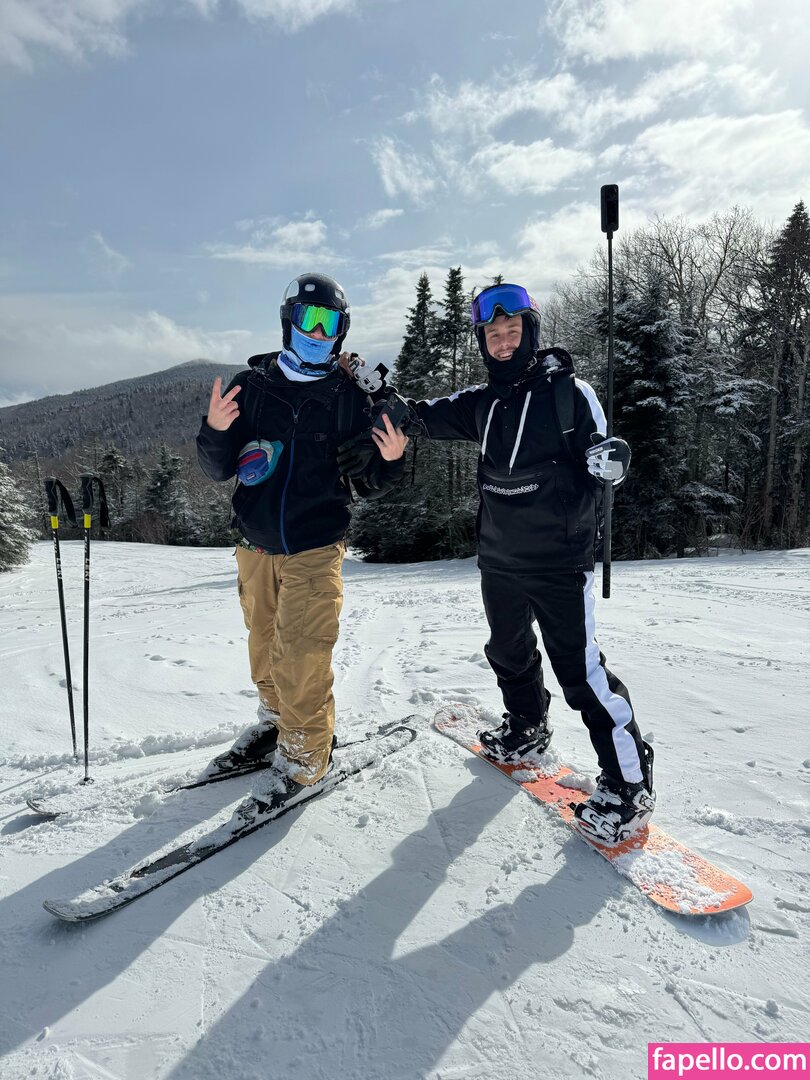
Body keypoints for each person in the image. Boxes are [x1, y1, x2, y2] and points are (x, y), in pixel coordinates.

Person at [343, 282, 655, 845]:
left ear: (529, 332)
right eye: (494, 335)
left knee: (581, 675)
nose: (504, 342)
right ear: (483, 342)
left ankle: (630, 786)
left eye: (513, 331)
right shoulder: (482, 403)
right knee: (508, 652)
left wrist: (612, 462)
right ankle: (527, 726)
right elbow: (417, 418)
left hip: (560, 560)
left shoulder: (571, 394)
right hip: (500, 557)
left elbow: (604, 457)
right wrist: (375, 389)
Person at [196, 272, 408, 802]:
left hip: (315, 546)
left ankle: (306, 757)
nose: (317, 332)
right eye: (308, 319)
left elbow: (372, 481)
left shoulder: (349, 397)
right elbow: (217, 468)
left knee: (302, 654)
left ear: (341, 330)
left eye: (329, 323)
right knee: (264, 646)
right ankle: (275, 723)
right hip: (255, 544)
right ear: (288, 321)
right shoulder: (252, 387)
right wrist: (216, 430)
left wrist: (387, 461)